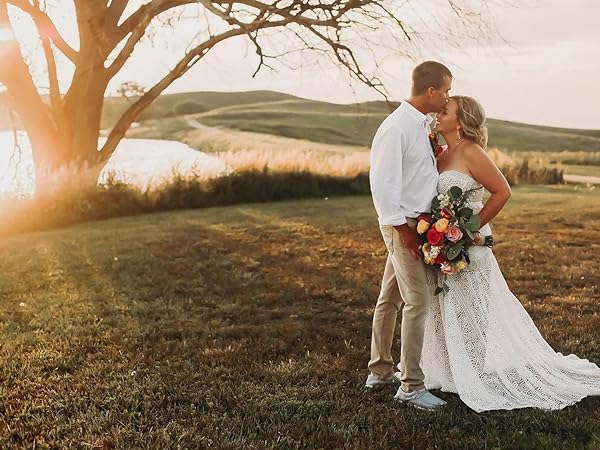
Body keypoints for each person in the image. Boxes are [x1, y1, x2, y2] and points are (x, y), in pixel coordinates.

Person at [422, 95, 600, 411]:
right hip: (445, 242)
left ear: (461, 121)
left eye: (445, 111)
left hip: (470, 242)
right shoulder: (443, 153)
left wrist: (469, 227)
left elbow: (502, 191)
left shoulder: (471, 151)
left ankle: (473, 371)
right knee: (446, 304)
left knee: (473, 305)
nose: (438, 114)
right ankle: (448, 372)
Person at [366, 61, 452, 410]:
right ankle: (412, 386)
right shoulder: (397, 127)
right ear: (430, 90)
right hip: (402, 224)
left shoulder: (421, 126)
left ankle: (380, 370)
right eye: (445, 90)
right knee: (418, 300)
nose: (447, 98)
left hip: (415, 223)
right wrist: (405, 232)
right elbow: (382, 185)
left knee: (390, 298)